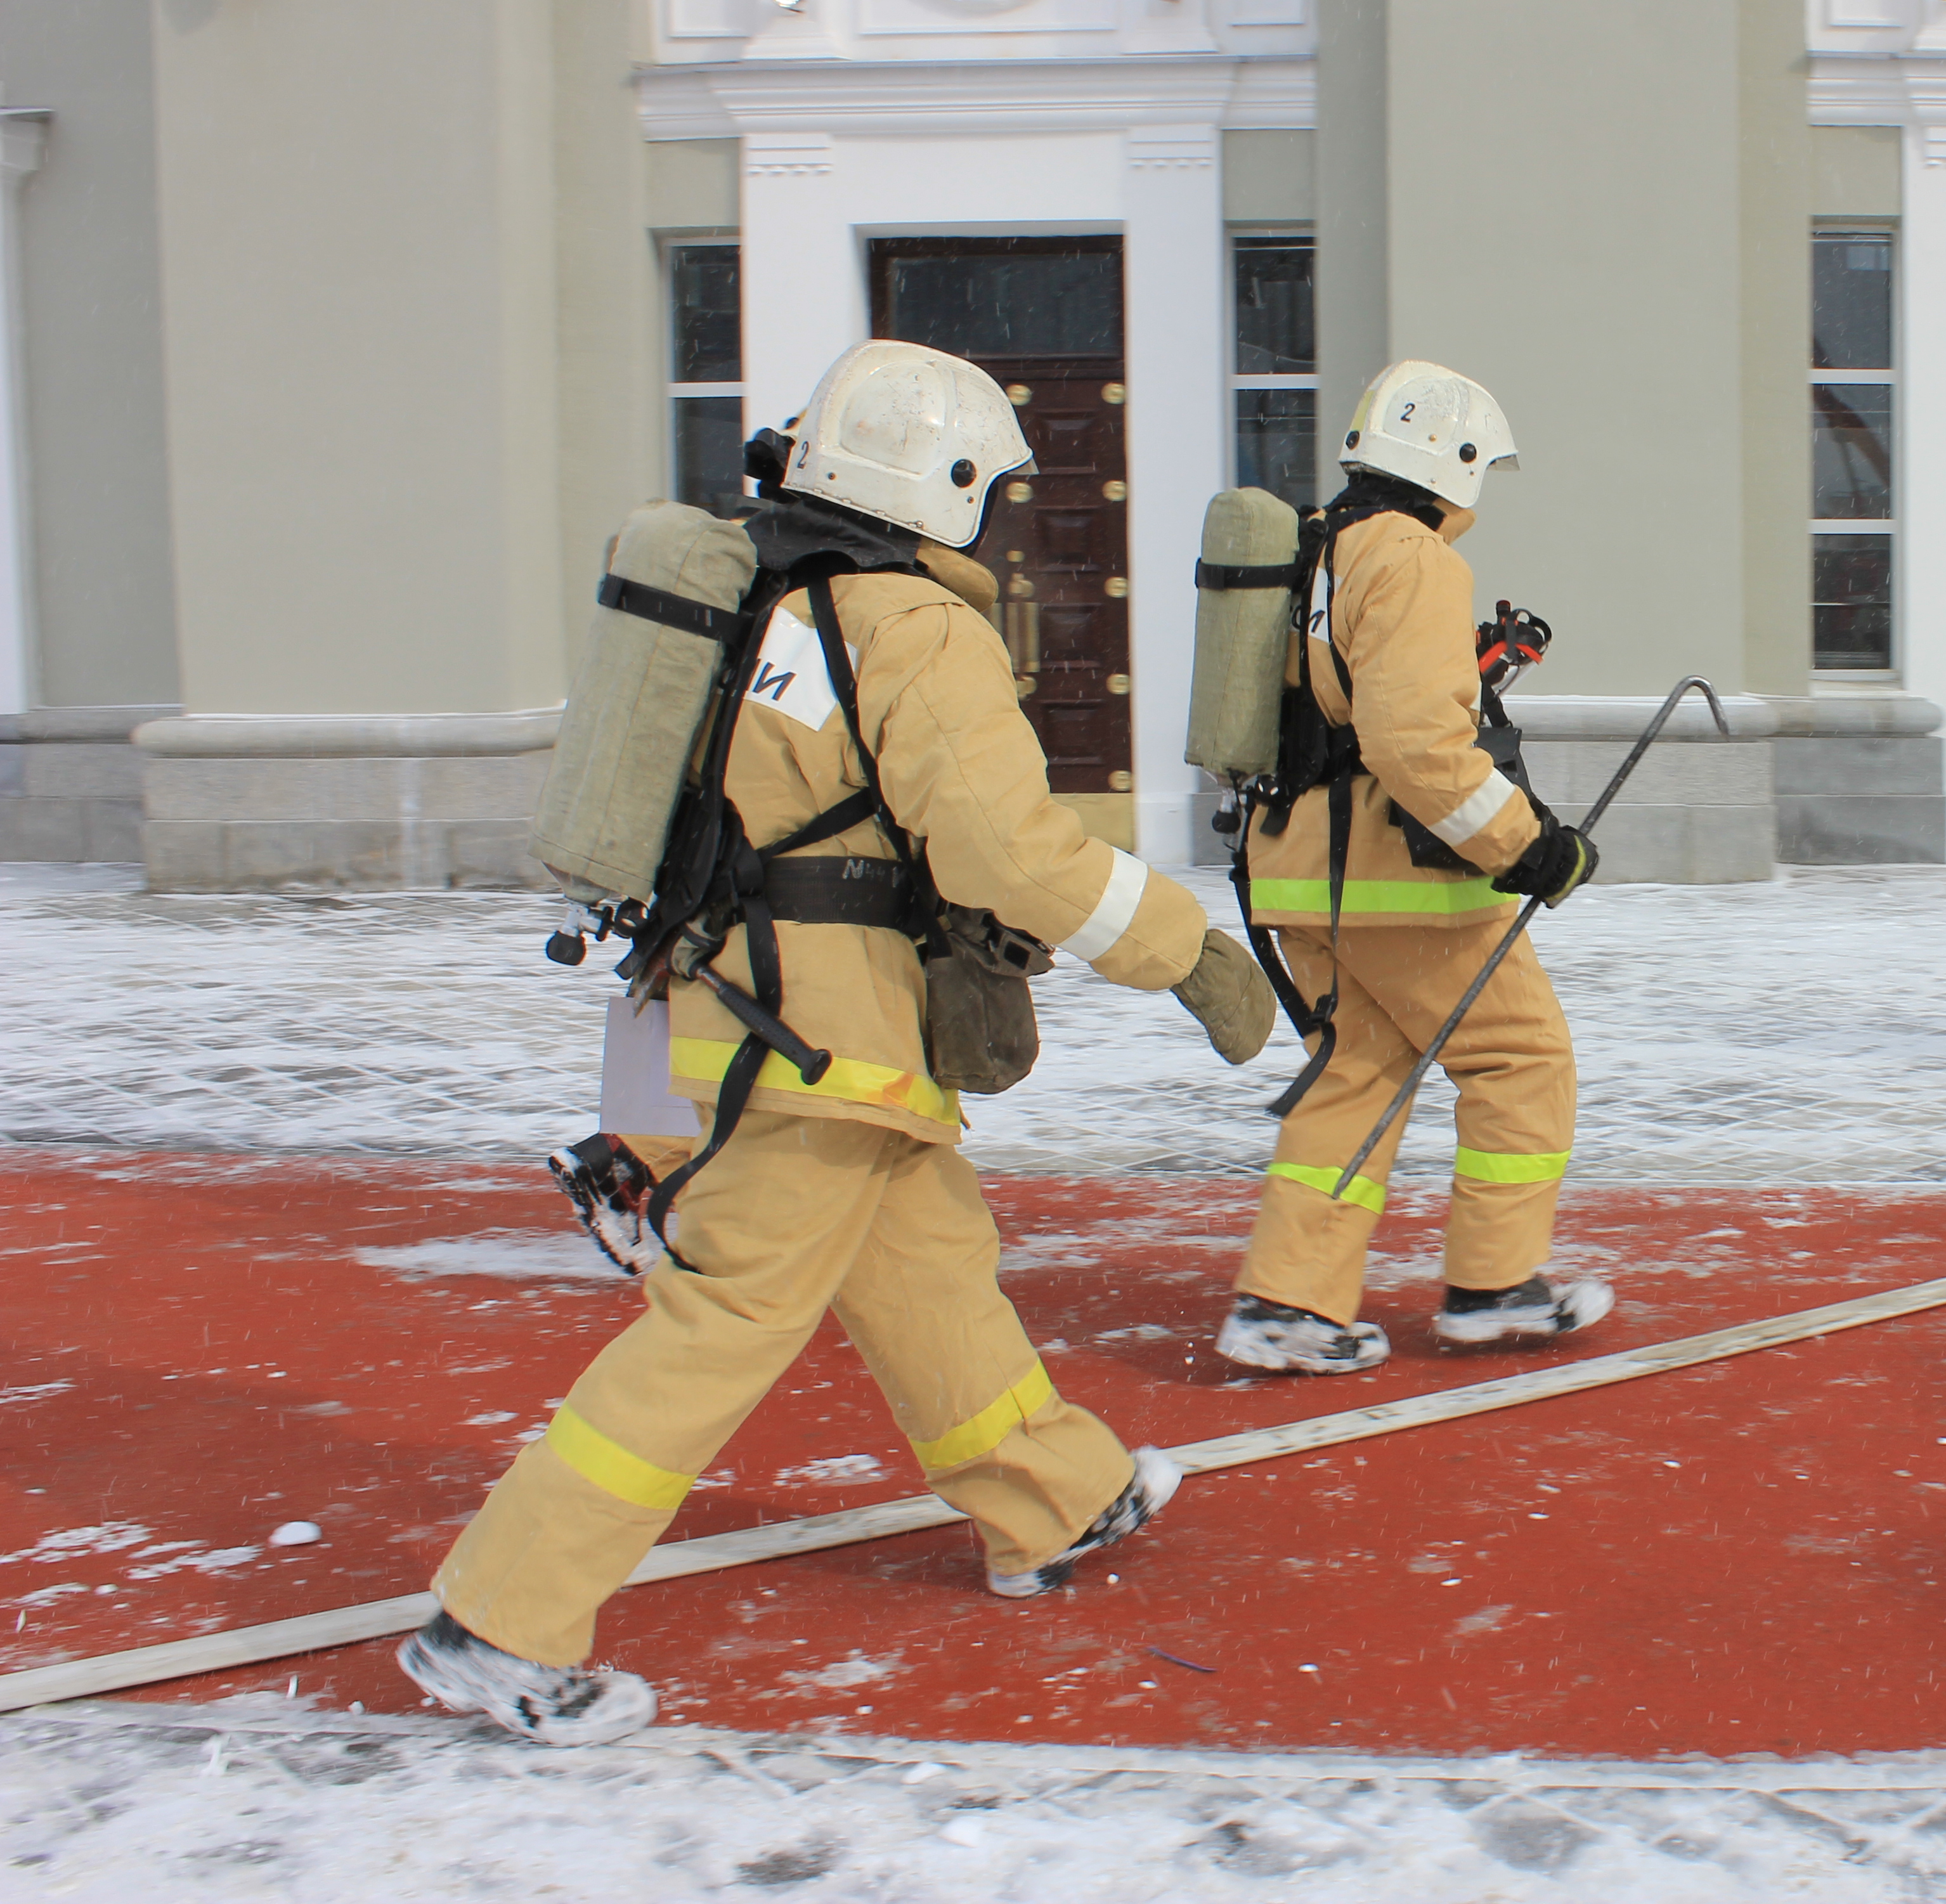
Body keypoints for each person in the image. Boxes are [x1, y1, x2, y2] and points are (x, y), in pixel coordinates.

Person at [401, 340, 1275, 1746]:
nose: (995, 520)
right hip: (819, 1040)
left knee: (930, 1267)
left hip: (738, 1014)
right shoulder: (911, 625)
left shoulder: (761, 598)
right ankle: (499, 1623)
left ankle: (1052, 1503)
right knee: (723, 1322)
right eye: (987, 491)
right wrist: (1186, 953)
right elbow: (1001, 846)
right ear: (937, 489)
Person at [1218, 359, 1609, 1375]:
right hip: (1396, 883)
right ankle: (1494, 1287)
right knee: (1522, 1059)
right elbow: (1418, 750)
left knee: (1356, 1074)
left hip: (1294, 869)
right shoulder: (1414, 558)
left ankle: (1285, 1307)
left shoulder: (1321, 546)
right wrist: (1534, 847)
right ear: (1458, 461)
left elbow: (1341, 710)